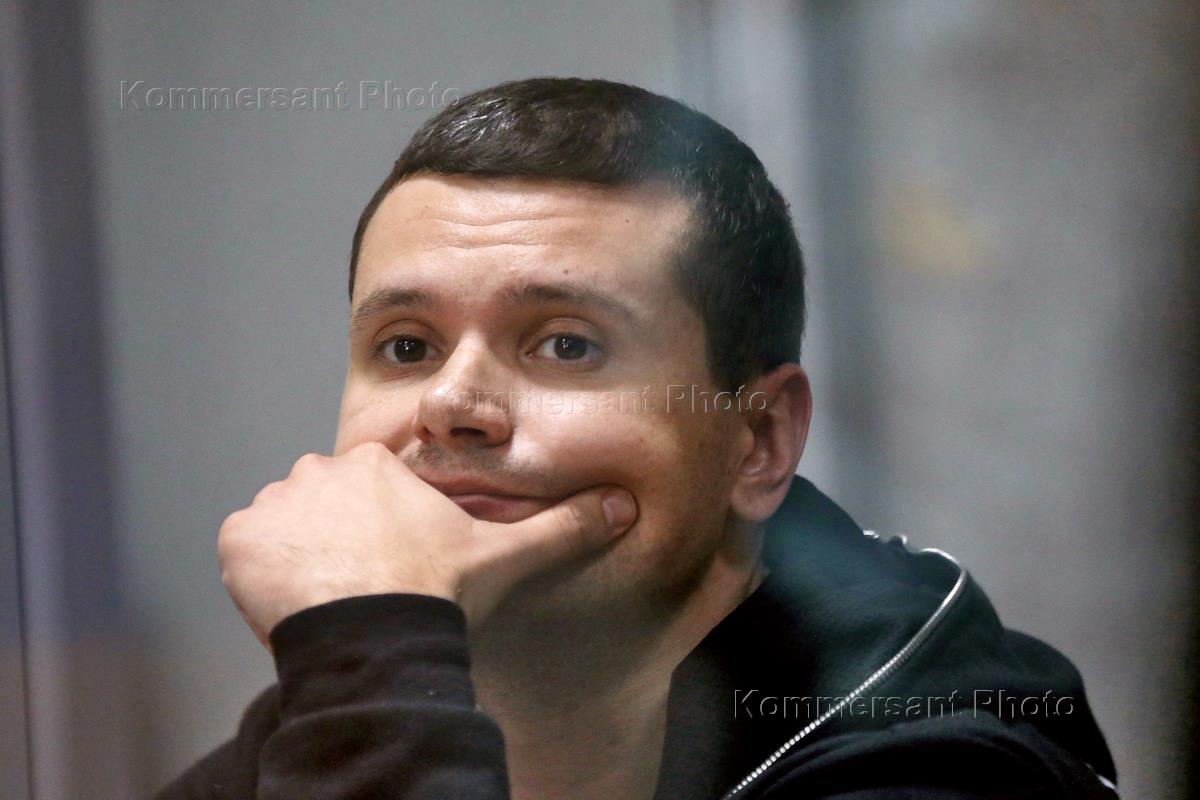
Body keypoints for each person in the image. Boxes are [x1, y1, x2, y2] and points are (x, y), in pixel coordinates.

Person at [158, 77, 1116, 799]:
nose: (451, 404)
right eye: (407, 347)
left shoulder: (940, 764)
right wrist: (373, 671)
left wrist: (372, 660)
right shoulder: (357, 702)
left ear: (757, 441)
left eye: (567, 345)